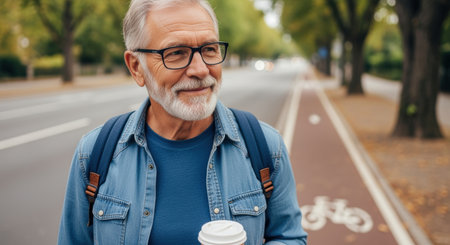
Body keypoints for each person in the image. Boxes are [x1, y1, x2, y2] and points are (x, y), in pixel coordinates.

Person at [57, 0, 308, 244]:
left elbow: (290, 236)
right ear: (136, 67)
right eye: (176, 53)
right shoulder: (92, 155)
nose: (200, 70)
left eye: (210, 49)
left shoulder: (266, 146)